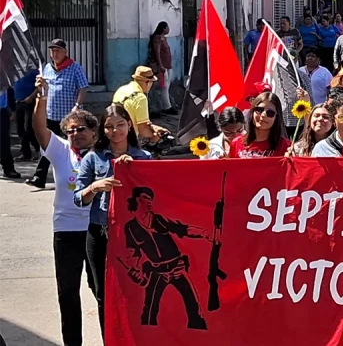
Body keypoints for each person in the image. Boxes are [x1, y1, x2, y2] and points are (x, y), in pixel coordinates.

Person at [74, 104, 152, 335]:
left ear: (129, 125)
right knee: (103, 293)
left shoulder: (144, 157)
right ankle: (110, 338)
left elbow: (155, 196)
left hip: (133, 238)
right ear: (103, 130)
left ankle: (135, 337)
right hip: (100, 233)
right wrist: (95, 186)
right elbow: (78, 198)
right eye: (109, 126)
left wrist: (134, 170)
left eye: (120, 125)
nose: (115, 131)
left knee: (135, 290)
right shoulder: (92, 158)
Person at [31, 75, 96, 345]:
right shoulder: (61, 151)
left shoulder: (105, 154)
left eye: (81, 129)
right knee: (67, 292)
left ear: (94, 132)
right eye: (70, 130)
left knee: (102, 291)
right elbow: (39, 129)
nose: (75, 134)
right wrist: (41, 97)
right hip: (66, 231)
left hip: (97, 231)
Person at [120, 187, 209, 329]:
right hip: (157, 271)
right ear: (137, 199)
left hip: (177, 268)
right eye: (145, 198)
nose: (149, 202)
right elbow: (133, 251)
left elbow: (182, 229)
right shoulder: (131, 227)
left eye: (151, 199)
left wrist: (205, 233)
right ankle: (148, 339)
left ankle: (199, 338)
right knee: (149, 310)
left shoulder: (159, 220)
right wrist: (135, 270)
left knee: (194, 305)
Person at [28, 39, 89, 189]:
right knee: (47, 147)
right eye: (52, 51)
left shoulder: (75, 68)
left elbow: (83, 88)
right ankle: (39, 177)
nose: (55, 54)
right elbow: (41, 88)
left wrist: (77, 106)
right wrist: (31, 97)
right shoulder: (47, 68)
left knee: (70, 147)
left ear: (65, 52)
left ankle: (75, 176)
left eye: (58, 50)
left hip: (68, 117)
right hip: (50, 115)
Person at [112, 66, 170, 143]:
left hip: (114, 135)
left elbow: (140, 120)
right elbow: (143, 129)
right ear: (148, 82)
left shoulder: (121, 90)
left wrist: (153, 127)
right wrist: (154, 136)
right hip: (127, 139)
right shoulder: (140, 98)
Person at [228, 92, 290, 158]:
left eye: (270, 113)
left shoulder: (286, 147)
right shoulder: (236, 143)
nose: (263, 115)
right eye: (259, 110)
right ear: (252, 111)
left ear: (276, 117)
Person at [146, 21, 176, 114]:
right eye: (167, 27)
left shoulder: (164, 39)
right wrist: (161, 65)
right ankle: (167, 106)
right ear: (163, 28)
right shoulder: (157, 38)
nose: (168, 29)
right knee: (164, 86)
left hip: (167, 65)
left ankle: (166, 105)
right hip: (163, 66)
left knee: (167, 85)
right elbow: (157, 53)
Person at [14, 68, 39, 161]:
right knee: (19, 129)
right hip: (18, 102)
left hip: (30, 102)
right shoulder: (14, 70)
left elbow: (39, 87)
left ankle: (38, 149)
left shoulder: (33, 71)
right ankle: (25, 153)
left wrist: (31, 97)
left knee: (29, 129)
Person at [0, 90, 20, 178]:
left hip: (2, 111)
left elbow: (10, 91)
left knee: (4, 142)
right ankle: (8, 168)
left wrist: (13, 109)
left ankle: (8, 168)